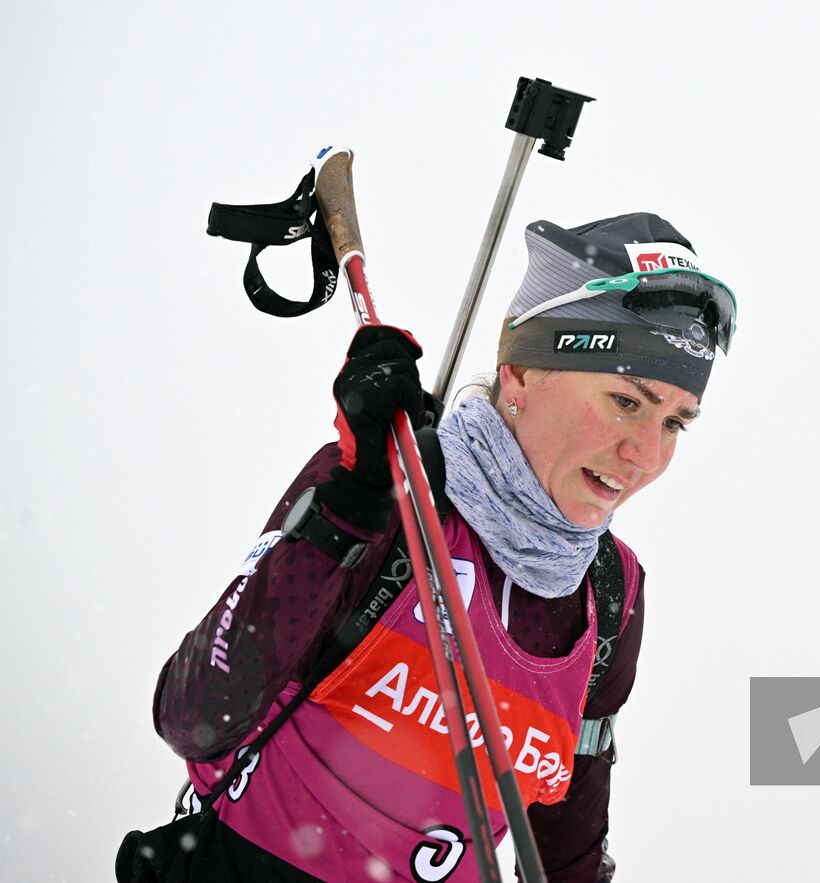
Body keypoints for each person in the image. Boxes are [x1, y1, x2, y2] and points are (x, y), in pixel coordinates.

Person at [119, 213, 736, 882]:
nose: (646, 453)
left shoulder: (610, 595)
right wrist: (346, 511)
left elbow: (567, 852)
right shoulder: (387, 490)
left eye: (673, 421)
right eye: (625, 400)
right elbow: (193, 714)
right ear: (522, 371)